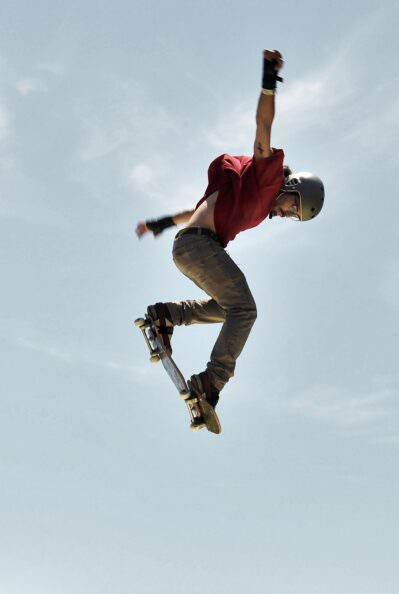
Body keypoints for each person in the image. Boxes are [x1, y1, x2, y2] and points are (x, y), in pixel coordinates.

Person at [135, 49, 324, 434]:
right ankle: (211, 383)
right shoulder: (266, 177)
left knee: (230, 309)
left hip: (189, 246)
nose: (287, 214)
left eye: (295, 217)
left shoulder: (246, 192)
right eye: (293, 206)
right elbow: (263, 127)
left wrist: (160, 223)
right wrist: (269, 81)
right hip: (199, 247)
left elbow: (195, 210)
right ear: (290, 186)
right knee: (246, 310)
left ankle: (166, 316)